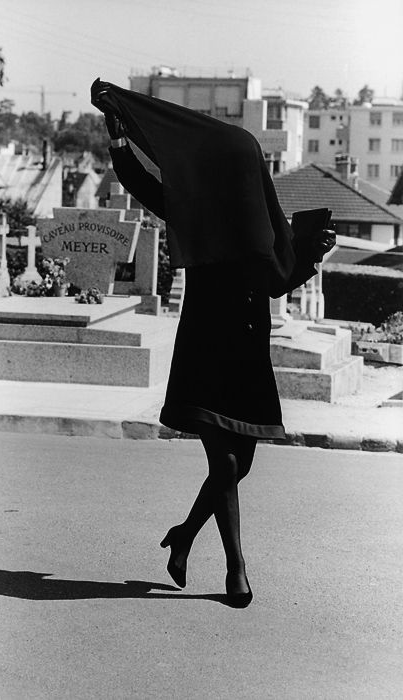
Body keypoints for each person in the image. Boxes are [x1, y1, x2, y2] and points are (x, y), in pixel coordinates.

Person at [91, 79, 336, 607]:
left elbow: (278, 278)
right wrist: (119, 141)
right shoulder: (194, 211)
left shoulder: (260, 225)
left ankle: (183, 535)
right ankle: (236, 570)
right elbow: (140, 182)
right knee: (225, 464)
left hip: (246, 348)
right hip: (206, 342)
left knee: (239, 464)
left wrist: (314, 252)